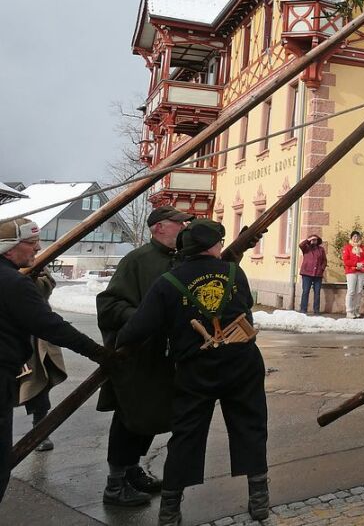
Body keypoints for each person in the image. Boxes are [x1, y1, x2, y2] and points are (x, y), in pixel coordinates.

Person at [116, 219, 269, 526]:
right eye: (218, 243)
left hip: (195, 369)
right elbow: (246, 307)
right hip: (242, 362)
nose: (221, 247)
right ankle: (259, 498)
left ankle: (170, 509)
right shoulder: (233, 271)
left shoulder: (167, 281)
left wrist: (119, 345)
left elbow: (136, 330)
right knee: (250, 426)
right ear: (211, 246)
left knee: (187, 435)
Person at [1, 217, 111, 504]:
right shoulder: (14, 283)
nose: (37, 250)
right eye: (31, 244)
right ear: (9, 248)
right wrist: (97, 353)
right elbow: (51, 326)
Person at [96, 205, 190, 507]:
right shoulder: (137, 260)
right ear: (159, 227)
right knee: (130, 416)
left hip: (164, 358)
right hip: (136, 357)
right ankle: (115, 484)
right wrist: (141, 317)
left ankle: (132, 471)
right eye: (179, 224)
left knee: (151, 416)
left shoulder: (181, 260)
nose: (184, 228)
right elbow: (109, 306)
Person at [18, 265, 67, 452]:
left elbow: (44, 289)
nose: (36, 248)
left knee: (39, 384)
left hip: (34, 335)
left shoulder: (35, 263)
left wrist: (31, 277)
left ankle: (40, 432)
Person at [342, 230, 364, 319]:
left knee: (359, 291)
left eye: (357, 236)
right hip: (351, 271)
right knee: (351, 291)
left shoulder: (363, 247)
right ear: (351, 238)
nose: (356, 238)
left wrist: (362, 263)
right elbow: (346, 260)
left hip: (361, 271)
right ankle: (349, 311)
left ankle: (356, 309)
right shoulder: (347, 247)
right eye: (354, 236)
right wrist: (355, 264)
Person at [298, 233, 327, 315]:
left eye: (315, 240)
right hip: (306, 273)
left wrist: (322, 268)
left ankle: (316, 310)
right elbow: (301, 245)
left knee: (317, 292)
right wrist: (308, 240)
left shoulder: (321, 249)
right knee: (305, 291)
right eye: (313, 240)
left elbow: (324, 260)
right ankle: (303, 310)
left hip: (318, 274)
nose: (314, 241)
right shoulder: (306, 248)